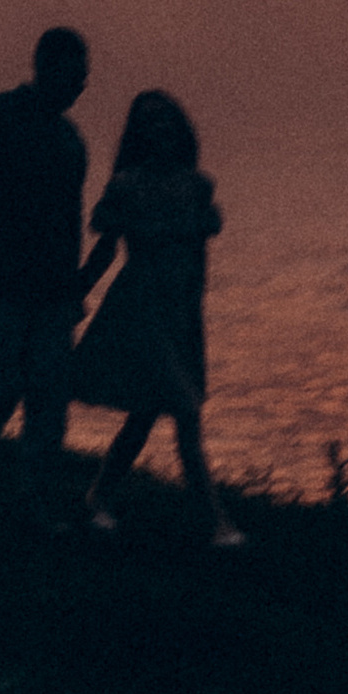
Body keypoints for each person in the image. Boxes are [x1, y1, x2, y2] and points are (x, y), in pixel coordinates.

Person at [73, 89, 243, 548]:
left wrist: (191, 314)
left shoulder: (197, 186)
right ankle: (215, 522)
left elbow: (199, 261)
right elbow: (106, 249)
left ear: (180, 127)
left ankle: (101, 496)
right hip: (139, 308)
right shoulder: (126, 185)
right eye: (149, 122)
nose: (160, 128)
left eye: (166, 119)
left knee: (146, 413)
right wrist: (76, 293)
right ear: (139, 134)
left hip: (181, 315)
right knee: (185, 413)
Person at [0, 24, 90, 515]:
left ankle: (35, 494)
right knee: (4, 383)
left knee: (48, 393)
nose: (80, 86)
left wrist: (71, 289)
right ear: (45, 67)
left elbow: (70, 222)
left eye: (84, 77)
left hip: (50, 289)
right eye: (74, 74)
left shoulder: (69, 139)